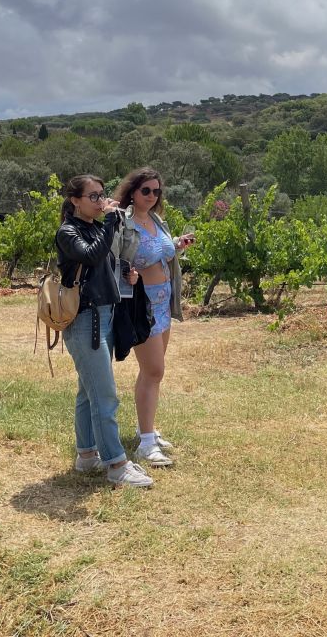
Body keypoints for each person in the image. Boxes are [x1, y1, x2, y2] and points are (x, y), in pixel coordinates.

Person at [56, 174, 153, 488]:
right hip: (85, 321)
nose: (100, 201)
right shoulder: (68, 232)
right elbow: (90, 255)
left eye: (101, 195)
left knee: (88, 392)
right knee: (105, 396)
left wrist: (127, 271)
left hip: (104, 317)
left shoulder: (97, 227)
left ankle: (86, 455)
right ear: (75, 201)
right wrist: (111, 221)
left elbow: (109, 259)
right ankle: (116, 464)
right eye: (93, 197)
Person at [112, 167, 193, 467]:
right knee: (154, 370)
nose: (152, 196)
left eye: (157, 191)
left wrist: (176, 246)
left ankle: (147, 430)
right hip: (141, 305)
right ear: (132, 191)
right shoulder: (125, 224)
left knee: (152, 372)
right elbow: (117, 261)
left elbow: (163, 254)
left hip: (163, 302)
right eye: (146, 190)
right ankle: (146, 444)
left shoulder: (157, 221)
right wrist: (129, 275)